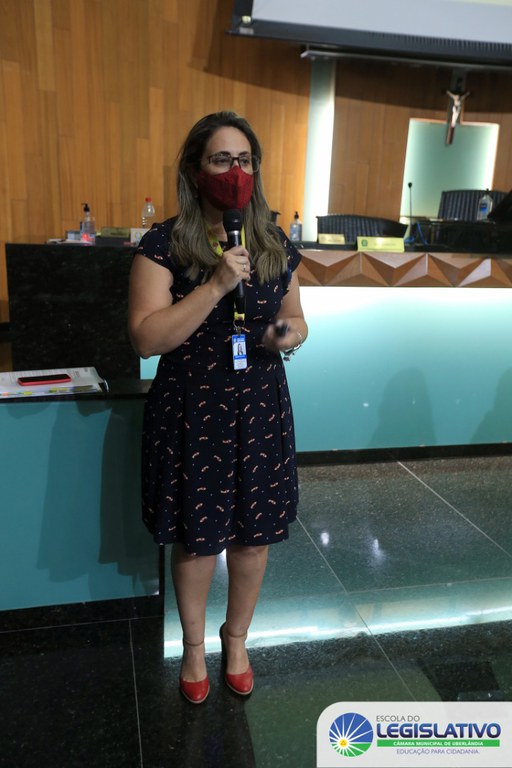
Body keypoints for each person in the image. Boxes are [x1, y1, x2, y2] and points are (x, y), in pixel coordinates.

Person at [128, 110, 308, 704]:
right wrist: (214, 286)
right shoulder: (163, 245)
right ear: (194, 169)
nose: (236, 171)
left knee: (254, 538)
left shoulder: (273, 241)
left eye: (245, 160)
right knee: (198, 538)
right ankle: (193, 647)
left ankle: (237, 641)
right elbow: (146, 339)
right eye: (222, 160)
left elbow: (297, 319)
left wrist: (282, 335)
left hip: (258, 404)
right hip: (192, 406)